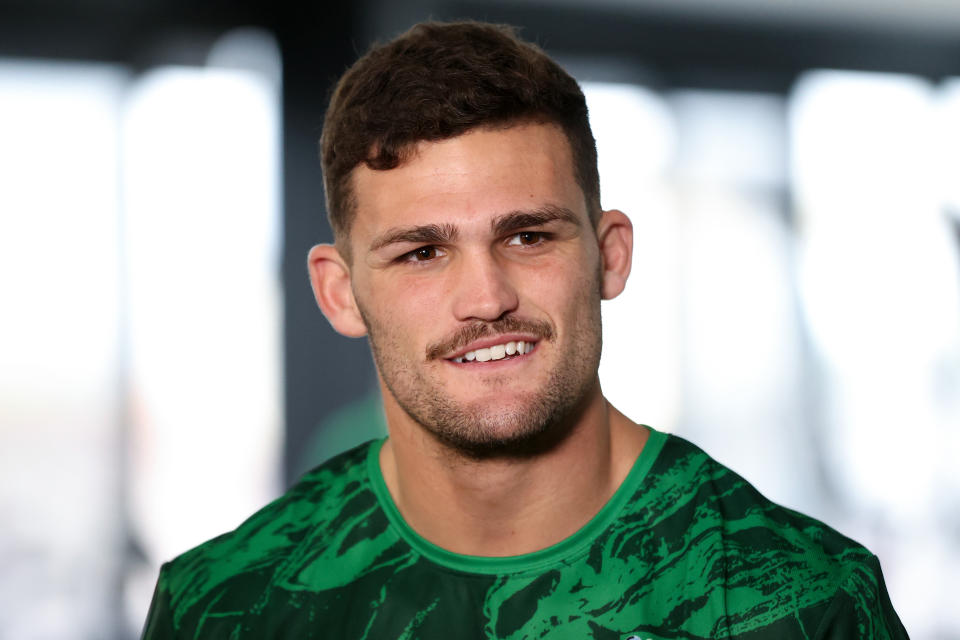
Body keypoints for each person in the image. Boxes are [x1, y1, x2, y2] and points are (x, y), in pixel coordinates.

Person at [142, 21, 907, 639]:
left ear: (609, 257)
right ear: (340, 294)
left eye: (528, 237)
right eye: (422, 252)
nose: (485, 297)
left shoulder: (805, 605)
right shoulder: (223, 606)